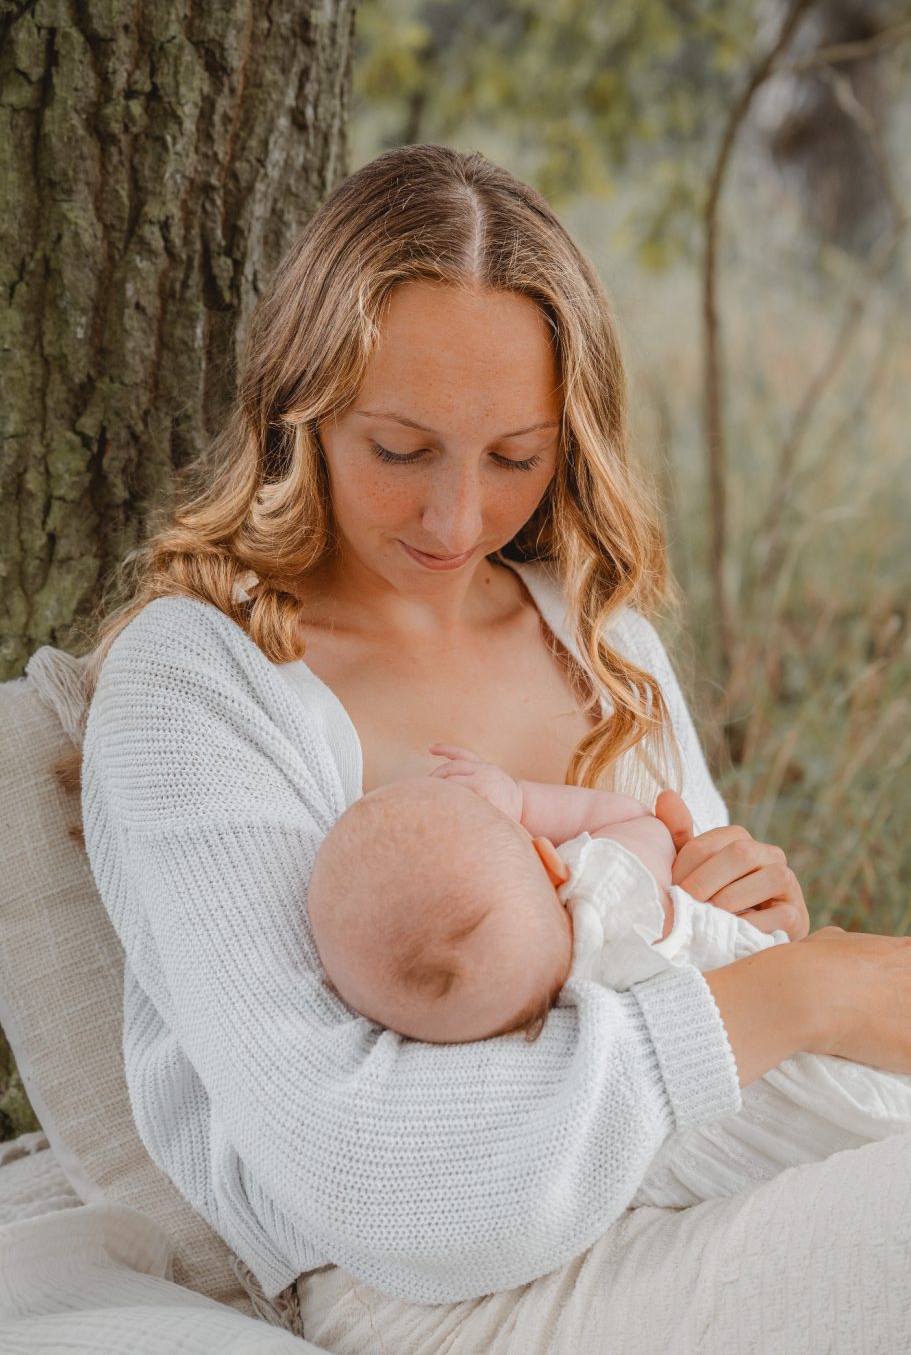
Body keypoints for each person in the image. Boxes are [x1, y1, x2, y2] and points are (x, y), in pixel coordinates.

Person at [79, 143, 911, 1354]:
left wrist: (746, 923)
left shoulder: (600, 640)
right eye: (400, 449)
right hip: (439, 1287)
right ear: (300, 406)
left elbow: (703, 980)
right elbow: (365, 1174)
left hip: (709, 1176)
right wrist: (796, 991)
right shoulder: (198, 684)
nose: (457, 517)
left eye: (516, 456)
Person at [307, 746, 911, 1215]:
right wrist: (518, 798)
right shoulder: (606, 882)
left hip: (756, 1156)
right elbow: (638, 819)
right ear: (551, 861)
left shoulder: (524, 1045)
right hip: (844, 1056)